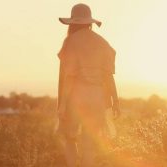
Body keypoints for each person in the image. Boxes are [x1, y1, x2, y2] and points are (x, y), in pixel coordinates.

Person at [56, 3, 120, 167]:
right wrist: (115, 102)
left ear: (73, 23)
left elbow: (68, 77)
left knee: (70, 138)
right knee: (89, 143)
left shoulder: (70, 42)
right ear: (89, 22)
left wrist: (62, 105)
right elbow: (109, 77)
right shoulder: (103, 43)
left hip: (76, 97)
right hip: (97, 98)